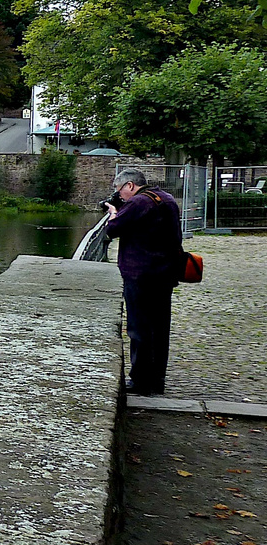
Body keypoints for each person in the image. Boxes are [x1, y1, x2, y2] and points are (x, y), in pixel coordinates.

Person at [105, 168, 182, 395]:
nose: (120, 196)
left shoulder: (139, 203)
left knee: (139, 328)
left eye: (119, 191)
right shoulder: (166, 199)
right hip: (165, 273)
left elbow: (113, 229)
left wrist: (113, 212)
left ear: (129, 185)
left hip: (140, 273)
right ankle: (157, 380)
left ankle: (139, 381)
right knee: (159, 328)